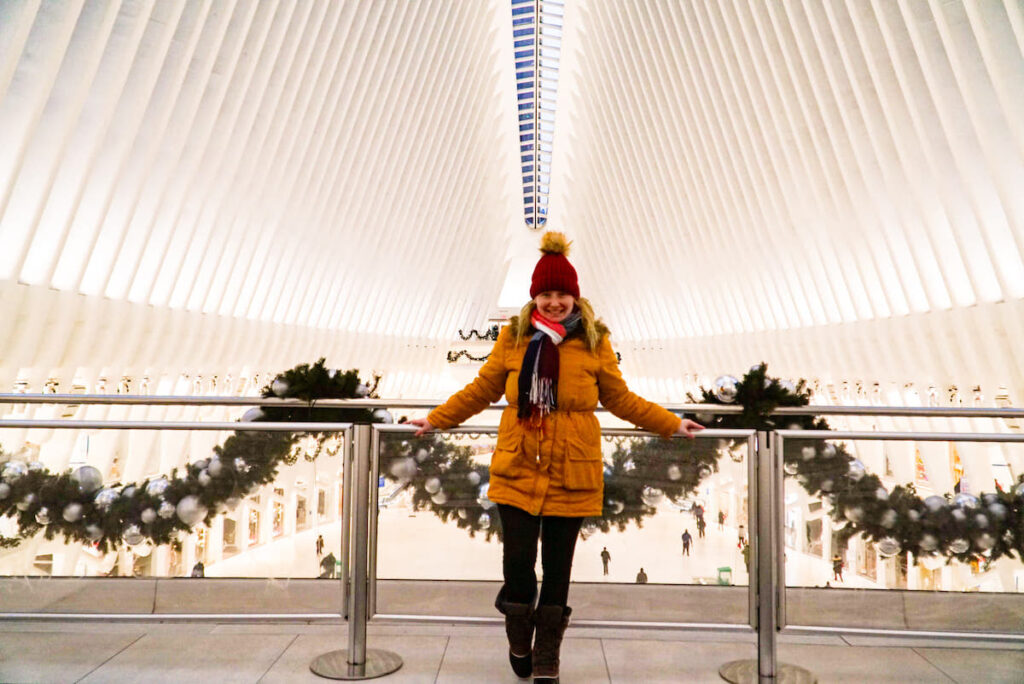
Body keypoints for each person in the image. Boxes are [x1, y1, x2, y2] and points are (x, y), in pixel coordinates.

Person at [409, 232, 703, 684]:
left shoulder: (594, 342)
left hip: (573, 469)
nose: (554, 302)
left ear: (575, 296)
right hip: (518, 464)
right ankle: (518, 637)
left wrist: (670, 422)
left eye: (562, 293)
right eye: (546, 293)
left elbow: (621, 399)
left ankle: (547, 656)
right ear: (534, 297)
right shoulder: (513, 338)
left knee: (559, 572)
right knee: (518, 568)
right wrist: (435, 420)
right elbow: (483, 390)